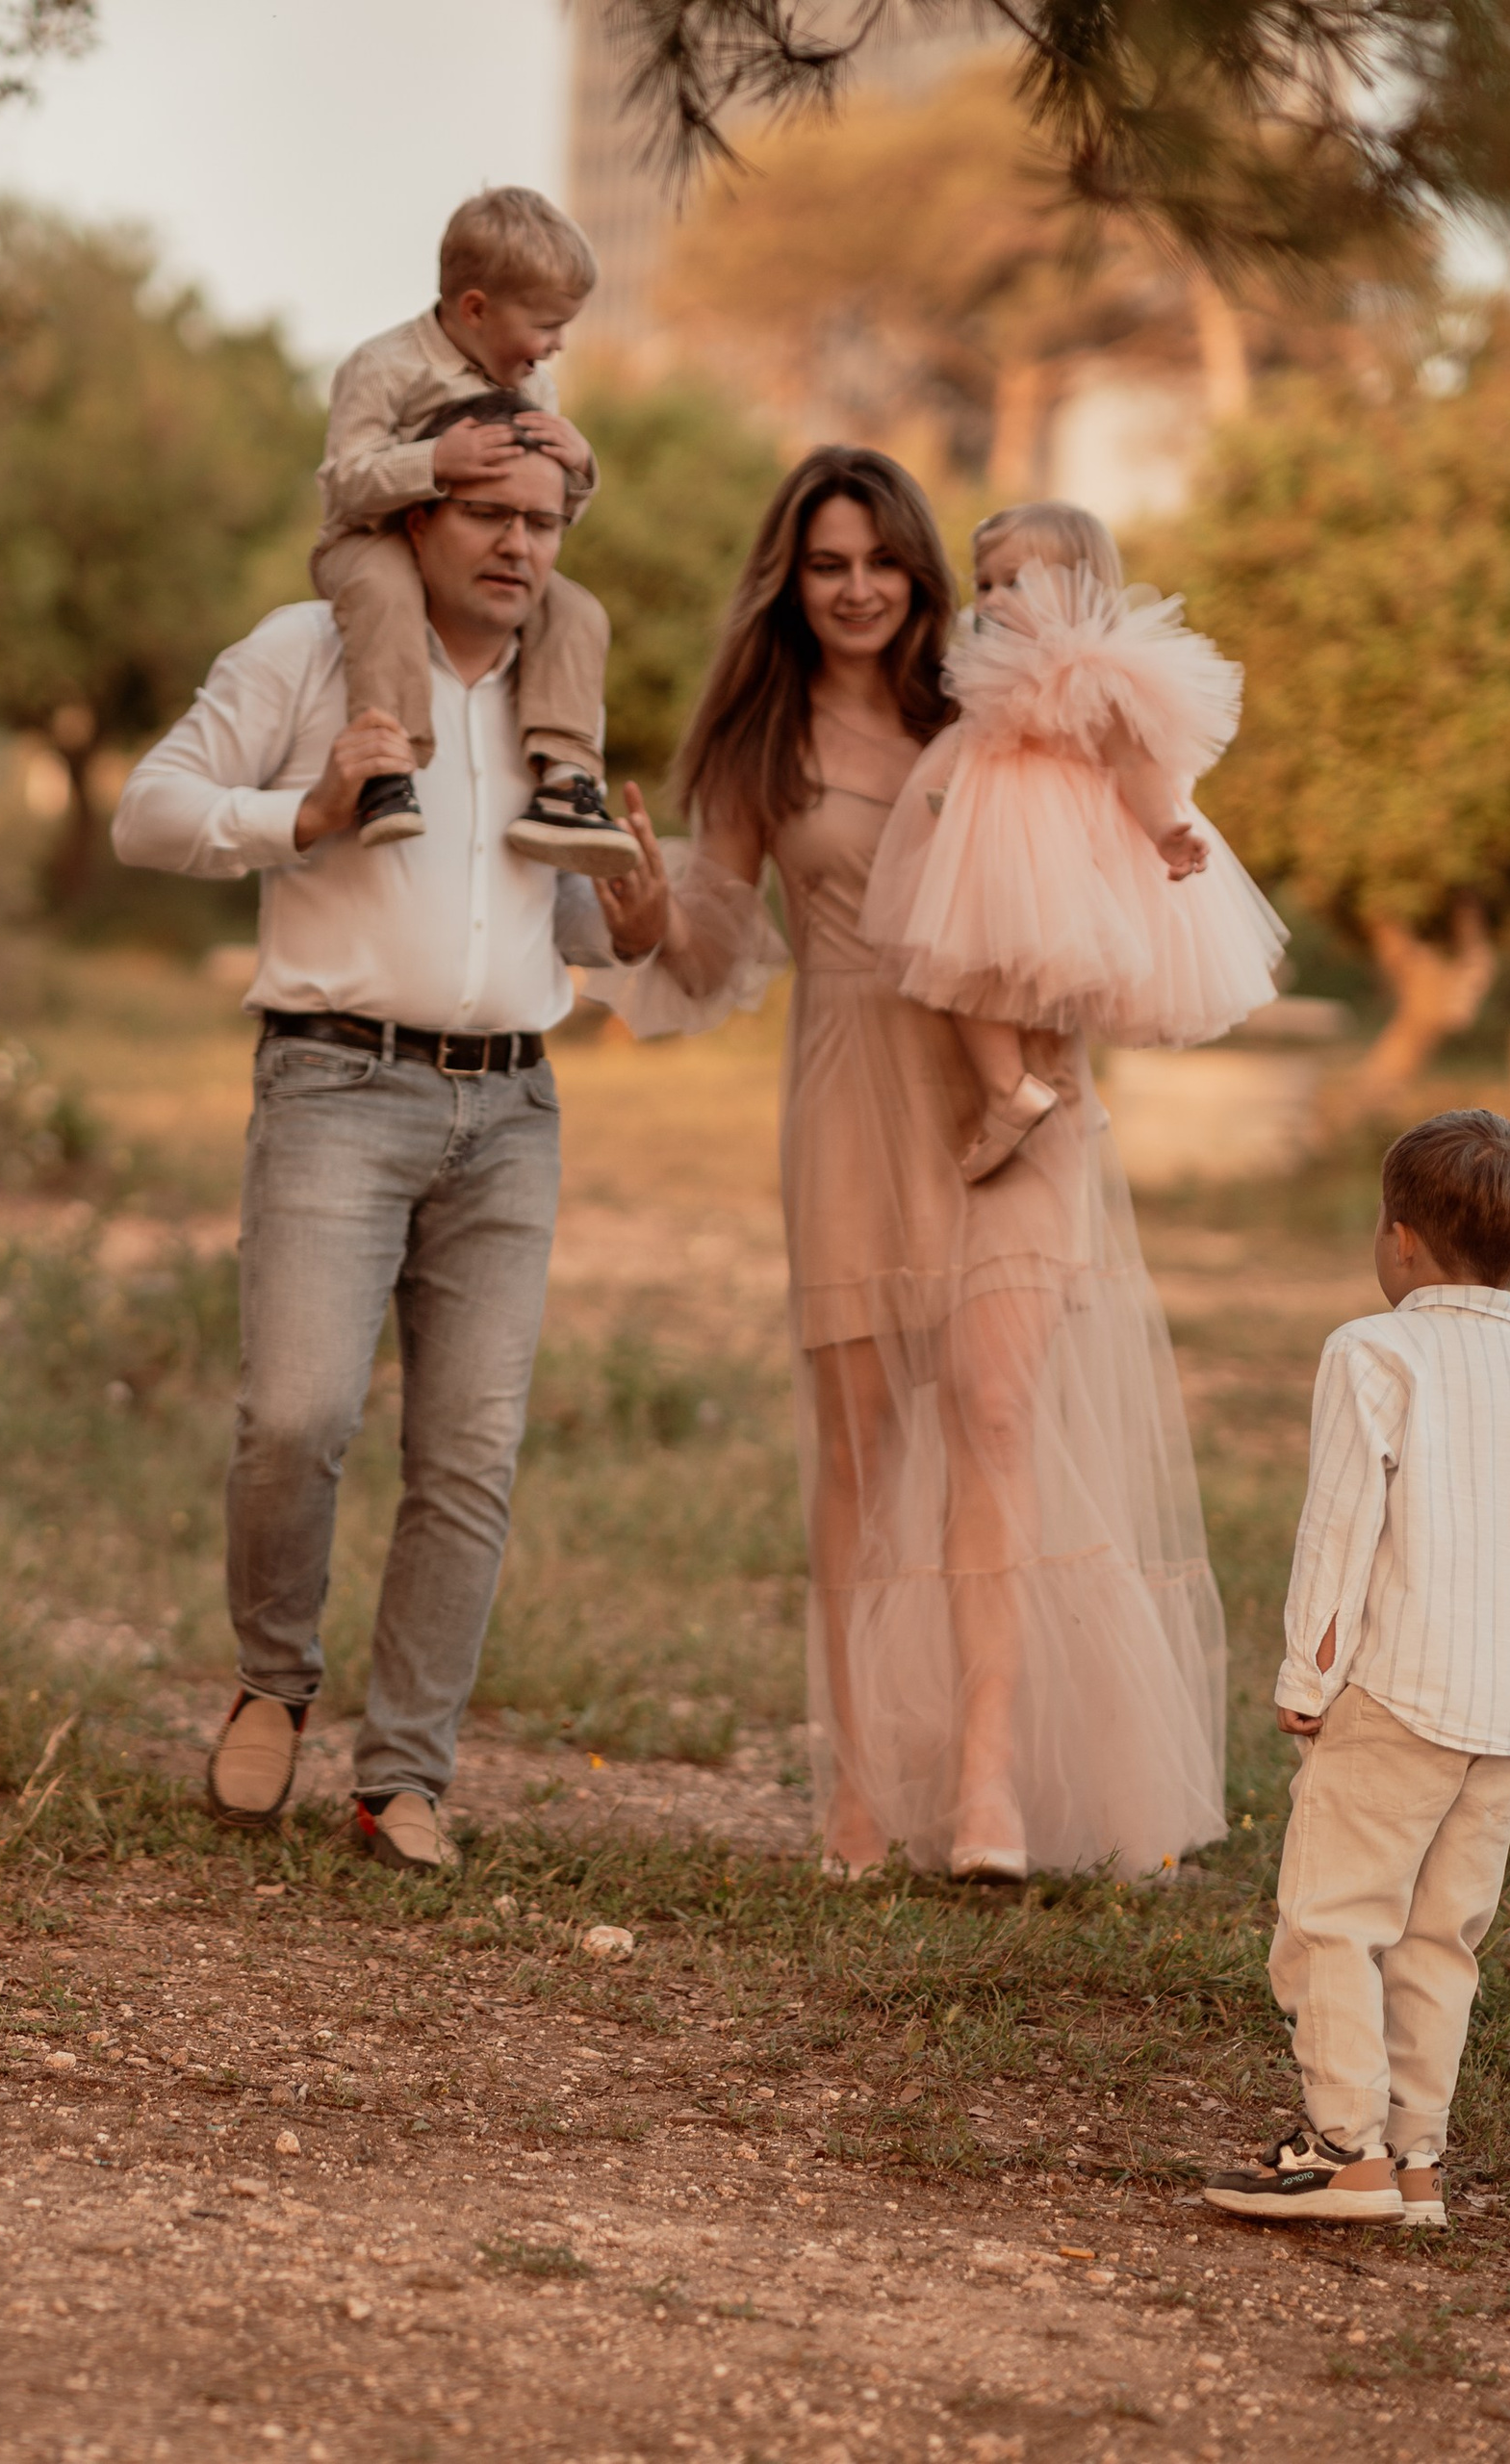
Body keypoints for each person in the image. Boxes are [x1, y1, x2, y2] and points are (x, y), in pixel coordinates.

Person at [587, 447, 1224, 1883]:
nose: (858, 586)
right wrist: (638, 925)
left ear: (923, 573)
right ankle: (864, 1789)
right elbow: (711, 943)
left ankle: (992, 1790)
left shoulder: (991, 701)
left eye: (881, 559)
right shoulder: (765, 744)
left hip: (1014, 1104)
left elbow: (1111, 838)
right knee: (866, 1459)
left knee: (998, 1414)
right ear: (791, 580)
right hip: (850, 1103)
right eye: (827, 562)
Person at [112, 403, 703, 1872]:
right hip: (335, 1085)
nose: (519, 545)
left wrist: (626, 928)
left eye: (546, 522)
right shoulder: (305, 651)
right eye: (492, 512)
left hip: (513, 1106)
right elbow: (148, 814)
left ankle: (404, 1779)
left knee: (470, 1453)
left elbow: (547, 914)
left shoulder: (558, 687)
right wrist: (302, 812)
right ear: (419, 518)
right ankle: (273, 1680)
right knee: (299, 1419)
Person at [1204, 1112, 1510, 2229]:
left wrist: (1305, 1672)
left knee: (1332, 1918)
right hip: (1502, 1711)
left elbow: (1340, 1526)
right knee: (1442, 1936)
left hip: (1396, 1686)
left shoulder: (1376, 1350)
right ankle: (1418, 2162)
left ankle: (1344, 2151)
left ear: (1401, 1242)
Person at [860, 500, 1287, 1180]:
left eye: (1016, 582)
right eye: (986, 583)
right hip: (991, 837)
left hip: (1034, 845)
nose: (993, 599)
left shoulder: (1092, 668)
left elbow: (1134, 762)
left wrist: (1165, 829)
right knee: (963, 967)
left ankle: (1014, 1092)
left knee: (960, 965)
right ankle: (1023, 1091)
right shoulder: (988, 662)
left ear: (1082, 586)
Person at [310, 185, 639, 877]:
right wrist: (434, 462)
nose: (558, 345)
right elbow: (341, 482)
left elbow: (544, 505)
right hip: (369, 541)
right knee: (385, 586)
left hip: (470, 557)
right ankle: (388, 765)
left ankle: (567, 780)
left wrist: (581, 468)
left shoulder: (533, 388)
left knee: (576, 609)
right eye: (547, 325)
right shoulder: (382, 368)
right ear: (476, 309)